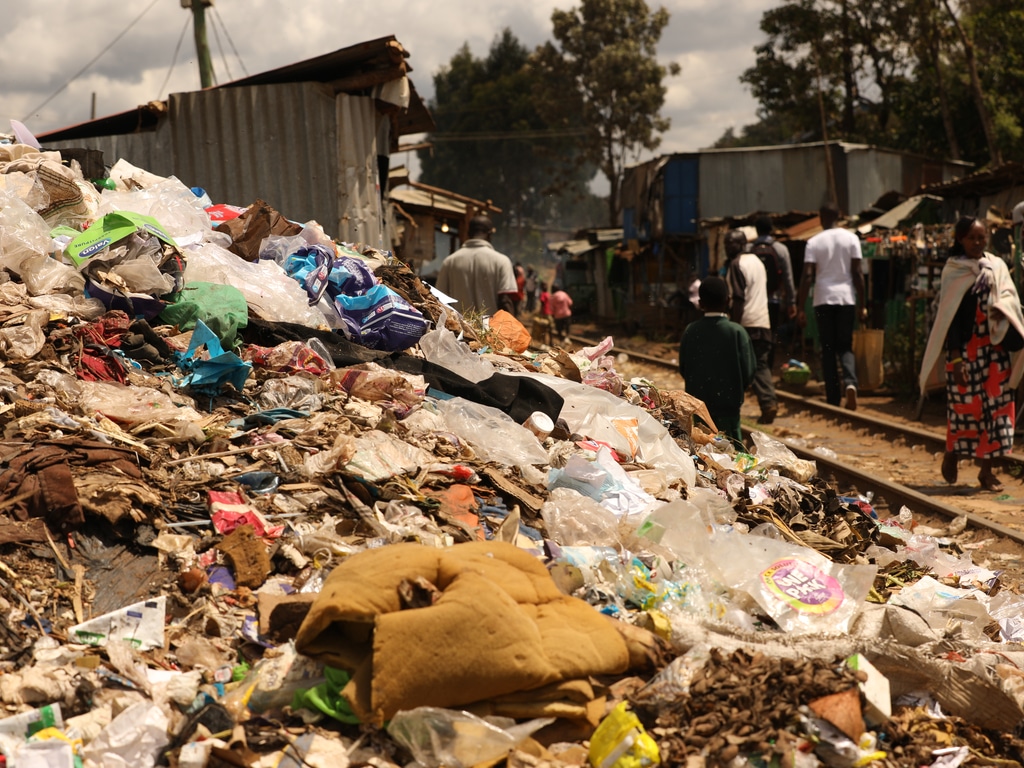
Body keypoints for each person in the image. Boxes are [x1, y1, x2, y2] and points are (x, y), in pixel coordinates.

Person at [919, 216, 1024, 492]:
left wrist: (1003, 307)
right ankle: (953, 452)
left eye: (982, 237)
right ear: (960, 240)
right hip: (965, 353)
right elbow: (949, 317)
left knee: (998, 409)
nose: (978, 243)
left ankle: (986, 472)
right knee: (966, 409)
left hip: (996, 351)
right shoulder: (953, 270)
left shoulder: (997, 266)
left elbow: (1011, 298)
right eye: (972, 238)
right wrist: (955, 358)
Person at [796, 203, 867, 410]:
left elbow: (808, 275)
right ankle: (851, 383)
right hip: (846, 298)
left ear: (820, 218)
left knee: (827, 348)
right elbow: (858, 274)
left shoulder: (814, 242)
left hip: (823, 299)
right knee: (845, 346)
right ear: (840, 217)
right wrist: (863, 304)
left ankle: (833, 398)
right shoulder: (851, 238)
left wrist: (800, 307)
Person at [679, 275, 757, 447]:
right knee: (733, 453)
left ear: (700, 303)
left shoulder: (691, 331)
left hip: (699, 410)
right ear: (728, 300)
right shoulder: (737, 332)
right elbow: (749, 372)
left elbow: (683, 368)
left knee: (702, 450)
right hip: (729, 410)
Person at [724, 228, 778, 424]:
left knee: (740, 367)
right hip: (763, 322)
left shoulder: (736, 264)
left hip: (746, 323)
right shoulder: (757, 262)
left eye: (730, 243)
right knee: (760, 365)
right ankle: (768, 402)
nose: (727, 247)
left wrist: (734, 327)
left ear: (741, 244)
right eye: (725, 244)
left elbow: (738, 298)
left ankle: (734, 406)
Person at [436, 215, 518, 318]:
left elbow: (439, 300)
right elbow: (506, 301)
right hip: (492, 332)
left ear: (468, 233)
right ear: (489, 235)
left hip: (460, 331)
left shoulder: (449, 262)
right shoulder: (502, 261)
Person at [752, 215, 797, 359]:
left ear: (756, 230)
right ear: (771, 230)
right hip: (774, 301)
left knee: (755, 336)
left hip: (754, 302)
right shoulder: (781, 249)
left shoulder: (750, 249)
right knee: (771, 335)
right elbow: (788, 278)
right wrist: (791, 302)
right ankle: (768, 368)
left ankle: (756, 367)